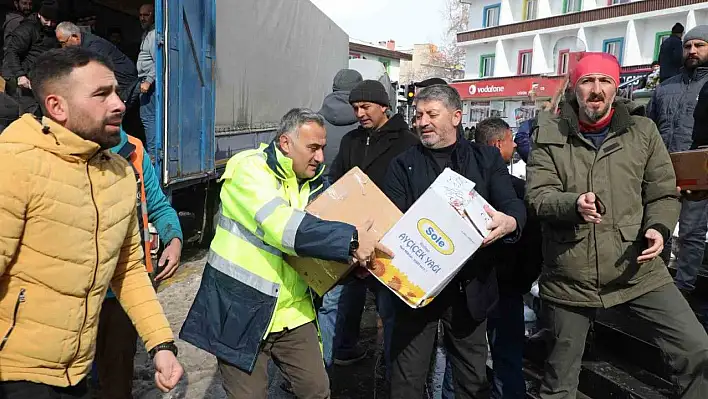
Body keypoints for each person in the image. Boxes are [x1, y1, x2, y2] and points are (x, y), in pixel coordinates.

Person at [0, 46, 183, 398]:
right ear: (57, 107)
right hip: (15, 376)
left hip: (74, 374)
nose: (119, 104)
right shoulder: (16, 164)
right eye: (101, 94)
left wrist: (161, 344)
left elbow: (129, 269)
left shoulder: (120, 172)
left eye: (116, 91)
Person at [526, 52, 708, 399]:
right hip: (571, 275)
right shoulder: (550, 132)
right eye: (587, 81)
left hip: (636, 267)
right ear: (574, 88)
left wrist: (659, 227)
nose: (596, 90)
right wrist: (573, 203)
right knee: (559, 382)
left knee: (697, 348)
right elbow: (538, 196)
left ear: (616, 87)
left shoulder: (642, 130)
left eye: (604, 81)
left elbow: (663, 193)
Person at [179, 108, 394, 399]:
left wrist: (347, 265)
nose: (320, 158)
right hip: (240, 311)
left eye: (322, 148)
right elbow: (283, 228)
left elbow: (314, 252)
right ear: (285, 143)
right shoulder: (249, 170)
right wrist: (352, 240)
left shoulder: (314, 183)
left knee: (316, 390)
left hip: (293, 313)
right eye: (313, 148)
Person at [383, 84, 526, 398]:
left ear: (457, 116)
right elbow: (389, 223)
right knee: (407, 379)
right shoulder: (402, 164)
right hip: (416, 289)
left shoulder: (486, 159)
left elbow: (513, 206)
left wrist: (509, 222)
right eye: (419, 115)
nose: (422, 122)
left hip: (470, 289)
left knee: (471, 379)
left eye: (432, 114)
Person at [319, 79, 418, 370]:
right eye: (355, 108)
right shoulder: (351, 140)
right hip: (351, 239)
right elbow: (337, 181)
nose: (359, 113)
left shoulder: (407, 142)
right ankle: (325, 367)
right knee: (334, 303)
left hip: (389, 240)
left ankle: (392, 373)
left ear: (384, 106)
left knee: (389, 311)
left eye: (365, 107)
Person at [92, 128, 184, 398]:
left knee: (117, 379)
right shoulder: (59, 155)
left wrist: (174, 238)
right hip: (80, 294)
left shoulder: (133, 149)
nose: (117, 105)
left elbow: (157, 204)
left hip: (123, 292)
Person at [475, 117, 542, 399]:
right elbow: (532, 242)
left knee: (469, 356)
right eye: (510, 139)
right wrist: (524, 280)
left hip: (480, 285)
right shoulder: (517, 190)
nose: (515, 144)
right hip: (504, 287)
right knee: (506, 356)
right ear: (497, 144)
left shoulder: (463, 184)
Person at [649, 25, 708, 294]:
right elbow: (647, 129)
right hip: (662, 174)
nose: (692, 51)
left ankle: (683, 286)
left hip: (699, 175)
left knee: (692, 233)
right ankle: (657, 283)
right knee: (658, 226)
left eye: (699, 45)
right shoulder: (664, 89)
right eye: (688, 46)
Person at [55, 22, 139, 103]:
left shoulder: (94, 47)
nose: (63, 48)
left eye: (64, 43)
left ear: (74, 37)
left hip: (125, 85)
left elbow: (94, 72)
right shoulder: (83, 45)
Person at [2, 1, 59, 116]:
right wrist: (20, 75)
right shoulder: (27, 29)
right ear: (39, 15)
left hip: (38, 77)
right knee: (25, 112)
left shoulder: (53, 31)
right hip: (19, 76)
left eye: (52, 21)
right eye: (46, 20)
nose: (49, 24)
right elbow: (11, 52)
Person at [318, 68, 362, 167]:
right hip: (353, 179)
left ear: (334, 88)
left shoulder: (314, 120)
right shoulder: (367, 121)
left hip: (318, 179)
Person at [137, 3, 157, 160]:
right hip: (143, 80)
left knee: (148, 118)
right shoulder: (146, 34)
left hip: (148, 83)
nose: (143, 18)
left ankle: (152, 155)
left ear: (154, 15)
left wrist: (148, 81)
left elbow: (158, 62)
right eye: (141, 15)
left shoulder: (153, 35)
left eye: (146, 15)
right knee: (146, 117)